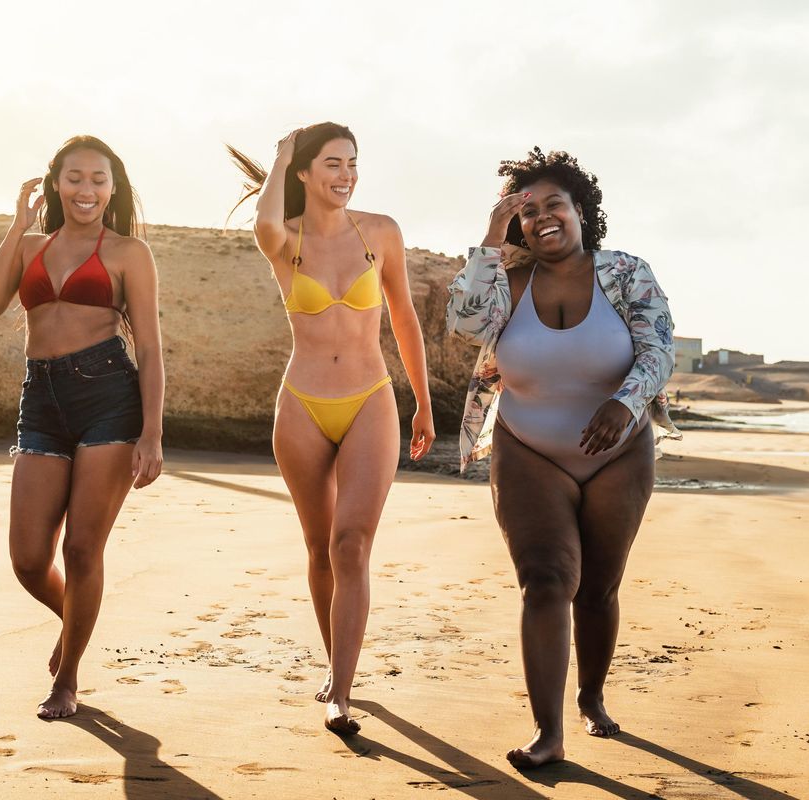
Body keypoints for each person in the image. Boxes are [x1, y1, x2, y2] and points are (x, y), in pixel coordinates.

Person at [447, 147, 674, 768]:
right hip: (528, 451)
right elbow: (463, 322)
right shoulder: (507, 283)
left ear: (581, 211)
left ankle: (592, 697)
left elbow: (658, 350)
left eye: (555, 204)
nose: (542, 217)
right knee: (545, 581)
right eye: (527, 211)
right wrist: (490, 239)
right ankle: (548, 735)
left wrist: (626, 404)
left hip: (619, 453)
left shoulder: (627, 273)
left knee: (597, 590)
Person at [228, 123, 435, 734]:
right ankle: (333, 665)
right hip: (302, 406)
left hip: (371, 399)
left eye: (352, 164)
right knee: (320, 550)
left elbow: (403, 317)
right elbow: (262, 222)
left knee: (352, 544)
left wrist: (422, 402)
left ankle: (341, 693)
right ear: (302, 174)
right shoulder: (283, 240)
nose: (345, 176)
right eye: (331, 165)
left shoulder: (381, 232)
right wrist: (281, 152)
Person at [0, 135, 165, 719]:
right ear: (57, 183)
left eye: (99, 180)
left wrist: (152, 432)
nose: (87, 189)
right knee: (29, 559)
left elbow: (151, 349)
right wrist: (16, 226)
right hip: (43, 401)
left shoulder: (130, 252)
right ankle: (73, 620)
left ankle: (69, 679)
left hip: (109, 396)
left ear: (113, 188)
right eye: (75, 177)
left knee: (82, 549)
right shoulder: (31, 246)